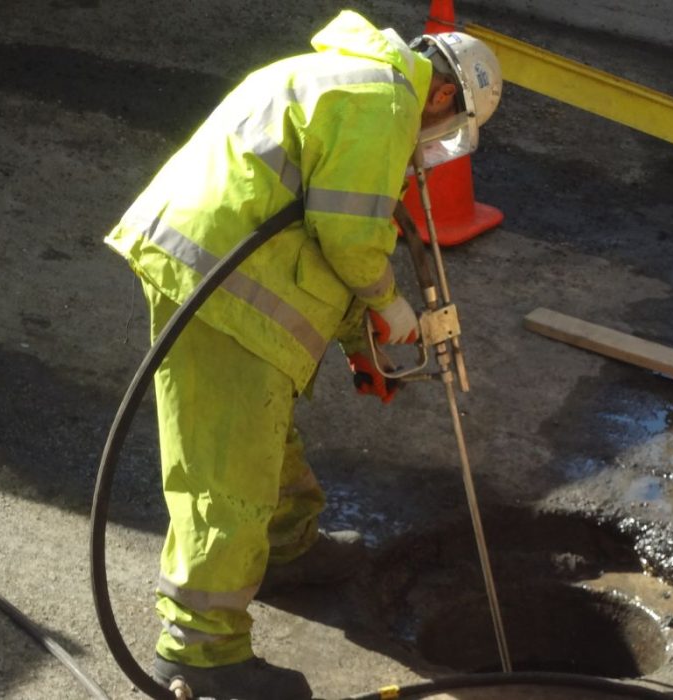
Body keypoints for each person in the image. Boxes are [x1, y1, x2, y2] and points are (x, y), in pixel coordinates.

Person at [103, 10, 501, 699]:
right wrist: (389, 309)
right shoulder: (385, 101)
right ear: (442, 95)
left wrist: (360, 345)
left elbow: (319, 219)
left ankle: (284, 549)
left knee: (257, 419)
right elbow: (348, 235)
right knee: (224, 466)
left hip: (222, 265)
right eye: (445, 129)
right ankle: (199, 653)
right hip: (222, 281)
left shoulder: (348, 78)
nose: (432, 144)